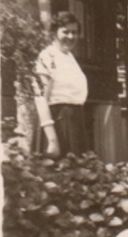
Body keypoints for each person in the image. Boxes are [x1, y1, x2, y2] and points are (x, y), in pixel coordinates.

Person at [33, 11, 90, 157]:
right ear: (54, 32)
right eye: (66, 32)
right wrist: (52, 139)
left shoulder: (69, 57)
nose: (71, 37)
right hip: (58, 124)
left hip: (75, 123)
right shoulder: (47, 56)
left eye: (74, 32)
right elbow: (40, 98)